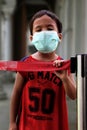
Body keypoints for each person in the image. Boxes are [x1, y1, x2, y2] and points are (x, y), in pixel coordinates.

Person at [9, 10, 76, 130]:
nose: (44, 33)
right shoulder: (25, 63)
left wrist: (65, 78)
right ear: (32, 37)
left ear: (59, 36)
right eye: (39, 29)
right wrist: (12, 122)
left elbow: (73, 95)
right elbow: (16, 92)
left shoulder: (63, 65)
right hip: (28, 126)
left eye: (50, 28)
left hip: (54, 125)